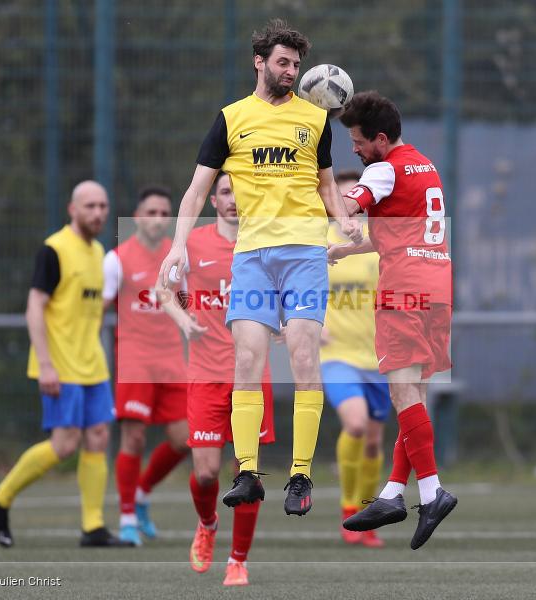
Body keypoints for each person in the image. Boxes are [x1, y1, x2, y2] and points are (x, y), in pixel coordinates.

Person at [158, 18, 362, 517]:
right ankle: (247, 473)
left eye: (296, 64)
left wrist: (344, 222)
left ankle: (299, 476)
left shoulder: (314, 121)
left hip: (304, 254)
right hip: (251, 257)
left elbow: (326, 185)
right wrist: (177, 246)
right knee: (246, 361)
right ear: (260, 62)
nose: (291, 71)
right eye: (283, 62)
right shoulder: (231, 119)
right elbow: (196, 190)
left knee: (303, 359)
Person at [330, 91, 458, 549]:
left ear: (380, 139)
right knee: (415, 401)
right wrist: (349, 248)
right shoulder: (425, 166)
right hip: (437, 290)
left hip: (403, 291)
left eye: (359, 142)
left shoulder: (382, 168)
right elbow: (402, 231)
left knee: (403, 396)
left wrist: (325, 196)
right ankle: (391, 492)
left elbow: (350, 203)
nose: (355, 150)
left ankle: (431, 491)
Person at [0, 181, 130, 548]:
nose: (98, 213)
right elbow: (35, 307)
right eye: (90, 206)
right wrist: (46, 364)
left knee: (98, 437)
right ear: (72, 209)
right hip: (60, 365)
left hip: (92, 365)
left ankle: (93, 527)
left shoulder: (98, 252)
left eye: (103, 206)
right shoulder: (54, 250)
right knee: (64, 445)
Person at [158, 172, 275, 586]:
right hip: (205, 375)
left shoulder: (267, 244)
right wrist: (183, 320)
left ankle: (238, 560)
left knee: (249, 472)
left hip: (251, 375)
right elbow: (163, 291)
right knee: (206, 473)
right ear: (213, 200)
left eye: (240, 192)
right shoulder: (191, 244)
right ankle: (207, 524)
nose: (233, 199)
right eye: (225, 191)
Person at [103, 186, 190, 546]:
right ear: (138, 217)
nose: (158, 219)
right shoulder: (117, 258)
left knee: (186, 438)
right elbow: (101, 309)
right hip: (135, 359)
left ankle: (141, 493)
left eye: (164, 213)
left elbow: (186, 304)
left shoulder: (177, 259)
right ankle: (126, 517)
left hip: (171, 358)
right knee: (134, 437)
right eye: (151, 212)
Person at [322, 170, 390, 548]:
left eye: (357, 201)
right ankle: (349, 510)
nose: (350, 207)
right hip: (336, 355)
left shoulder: (376, 246)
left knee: (373, 442)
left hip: (377, 357)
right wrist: (309, 323)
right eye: (344, 200)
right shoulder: (318, 242)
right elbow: (291, 288)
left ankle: (366, 514)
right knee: (357, 424)